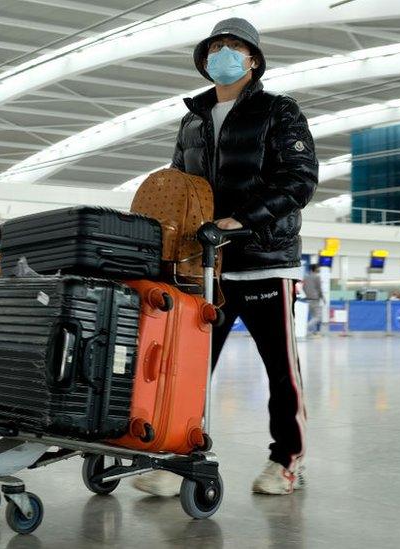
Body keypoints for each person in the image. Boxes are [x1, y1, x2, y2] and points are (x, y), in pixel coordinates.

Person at [132, 18, 316, 497]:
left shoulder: (279, 111)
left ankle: (286, 460)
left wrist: (240, 221)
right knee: (185, 366)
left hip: (263, 259)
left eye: (235, 47)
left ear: (253, 60)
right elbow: (177, 187)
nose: (224, 54)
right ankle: (179, 456)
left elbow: (298, 181)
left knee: (280, 367)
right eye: (216, 47)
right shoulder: (192, 120)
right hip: (203, 265)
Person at [301, 264, 322, 335]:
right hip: (315, 299)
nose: (319, 269)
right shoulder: (317, 277)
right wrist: (322, 297)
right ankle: (305, 327)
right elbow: (319, 289)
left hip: (308, 299)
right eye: (318, 268)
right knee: (318, 317)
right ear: (315, 269)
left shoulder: (305, 277)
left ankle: (314, 332)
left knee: (313, 316)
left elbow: (303, 288)